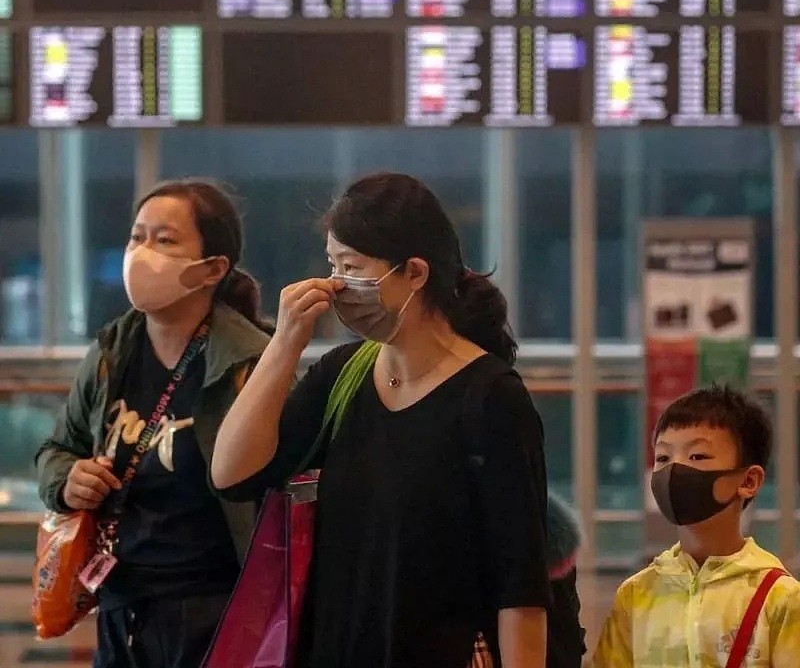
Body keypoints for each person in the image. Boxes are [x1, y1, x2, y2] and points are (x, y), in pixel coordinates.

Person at [211, 172, 554, 668]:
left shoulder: (489, 397)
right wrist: (285, 344)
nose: (333, 284)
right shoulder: (342, 375)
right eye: (332, 264)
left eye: (350, 267)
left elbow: (520, 583)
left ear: (414, 273)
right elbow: (232, 473)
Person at [36, 179, 273, 668]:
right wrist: (67, 479)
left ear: (212, 269)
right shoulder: (111, 353)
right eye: (136, 236)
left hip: (217, 611)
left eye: (164, 240)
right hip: (120, 606)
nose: (142, 253)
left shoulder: (249, 364)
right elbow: (57, 449)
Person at [592, 385, 800, 667]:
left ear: (748, 481)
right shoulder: (636, 594)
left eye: (697, 456)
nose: (674, 470)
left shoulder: (780, 597)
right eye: (663, 458)